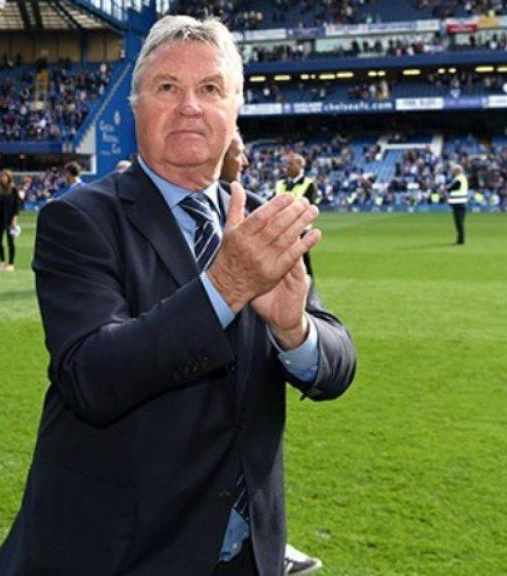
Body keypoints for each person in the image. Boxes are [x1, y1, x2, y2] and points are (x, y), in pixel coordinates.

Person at [0, 16, 357, 576]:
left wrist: (294, 331)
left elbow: (335, 363)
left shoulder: (264, 220)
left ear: (234, 110)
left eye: (210, 89)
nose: (190, 106)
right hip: (120, 554)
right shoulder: (80, 218)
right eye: (168, 87)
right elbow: (91, 376)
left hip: (245, 557)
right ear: (135, 106)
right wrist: (225, 286)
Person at [220, 131, 324, 576]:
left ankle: (262, 540)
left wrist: (295, 329)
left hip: (291, 255)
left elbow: (335, 362)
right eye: (238, 149)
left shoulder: (283, 195)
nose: (244, 159)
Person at [275, 153, 319, 275]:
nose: (287, 167)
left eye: (291, 164)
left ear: (301, 165)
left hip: (300, 230)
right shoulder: (280, 184)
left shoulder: (309, 184)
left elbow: (309, 207)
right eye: (286, 164)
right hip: (282, 230)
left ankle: (308, 290)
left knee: (303, 265)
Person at [0, 169, 21, 272]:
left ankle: (11, 263)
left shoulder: (14, 189)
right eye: (2, 177)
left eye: (5, 177)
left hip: (9, 218)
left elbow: (17, 206)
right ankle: (2, 261)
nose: (3, 178)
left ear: (9, 178)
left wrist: (14, 219)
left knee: (10, 242)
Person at [447, 163, 469, 245]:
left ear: (457, 171)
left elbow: (454, 187)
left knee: (459, 222)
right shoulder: (461, 178)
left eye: (453, 170)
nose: (452, 172)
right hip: (460, 203)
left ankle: (461, 240)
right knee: (459, 222)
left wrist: (446, 188)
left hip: (459, 203)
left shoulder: (459, 179)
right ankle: (460, 239)